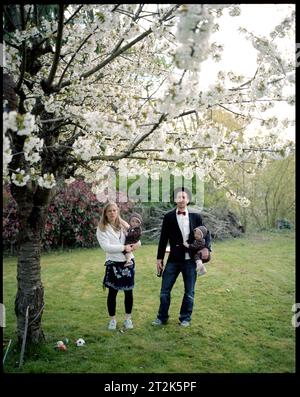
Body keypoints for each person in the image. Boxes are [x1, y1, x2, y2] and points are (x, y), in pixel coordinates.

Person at [152, 187, 211, 327]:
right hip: (173, 259)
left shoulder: (196, 216)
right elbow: (163, 238)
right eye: (178, 197)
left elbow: (206, 234)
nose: (181, 199)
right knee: (164, 291)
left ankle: (185, 318)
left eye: (184, 197)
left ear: (188, 200)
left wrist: (208, 249)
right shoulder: (168, 216)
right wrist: (159, 258)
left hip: (191, 260)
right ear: (175, 199)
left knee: (189, 291)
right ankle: (162, 318)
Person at [96, 202, 141, 330]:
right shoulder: (102, 228)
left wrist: (136, 245)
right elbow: (106, 247)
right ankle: (112, 320)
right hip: (113, 262)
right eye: (109, 211)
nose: (112, 213)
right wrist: (123, 247)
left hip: (128, 262)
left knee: (128, 291)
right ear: (105, 213)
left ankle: (128, 319)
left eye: (114, 210)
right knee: (112, 292)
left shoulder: (124, 225)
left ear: (118, 212)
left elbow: (137, 239)